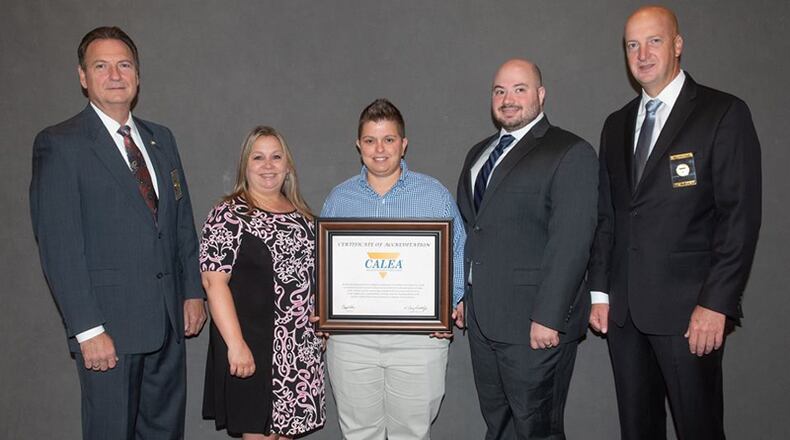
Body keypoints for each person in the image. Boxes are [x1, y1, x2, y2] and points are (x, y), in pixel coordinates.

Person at [587, 6, 762, 440]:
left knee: (699, 429)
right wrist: (600, 291)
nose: (642, 53)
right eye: (632, 44)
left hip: (690, 316)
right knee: (638, 431)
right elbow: (608, 217)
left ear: (678, 45)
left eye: (655, 41)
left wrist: (716, 303)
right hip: (625, 316)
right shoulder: (616, 124)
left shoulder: (722, 113)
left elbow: (739, 218)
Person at [29, 26, 206, 439]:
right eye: (101, 65)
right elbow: (59, 246)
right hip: (108, 332)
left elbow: (180, 222)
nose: (114, 74)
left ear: (138, 76)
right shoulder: (60, 144)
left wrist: (191, 291)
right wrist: (88, 329)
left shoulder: (161, 140)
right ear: (82, 76)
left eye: (124, 65)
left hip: (166, 325)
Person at [456, 59, 598, 439]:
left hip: (535, 324)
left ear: (540, 94)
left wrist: (550, 316)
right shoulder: (478, 155)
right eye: (499, 90)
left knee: (537, 430)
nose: (508, 99)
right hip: (485, 322)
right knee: (498, 425)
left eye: (520, 89)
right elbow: (476, 232)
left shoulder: (570, 152)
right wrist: (464, 296)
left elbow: (572, 242)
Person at [320, 98, 466, 440]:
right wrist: (324, 308)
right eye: (370, 140)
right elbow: (324, 263)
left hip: (419, 339)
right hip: (352, 341)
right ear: (359, 145)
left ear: (403, 144)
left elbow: (458, 250)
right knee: (359, 434)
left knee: (412, 434)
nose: (379, 149)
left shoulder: (433, 195)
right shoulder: (339, 200)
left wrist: (450, 305)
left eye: (388, 139)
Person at [199, 126, 326, 439]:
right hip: (253, 348)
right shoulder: (230, 214)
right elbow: (213, 283)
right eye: (258, 157)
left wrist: (324, 321)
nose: (268, 165)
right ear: (246, 165)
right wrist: (236, 345)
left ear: (288, 165)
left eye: (275, 157)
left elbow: (314, 280)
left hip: (300, 349)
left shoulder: (304, 217)